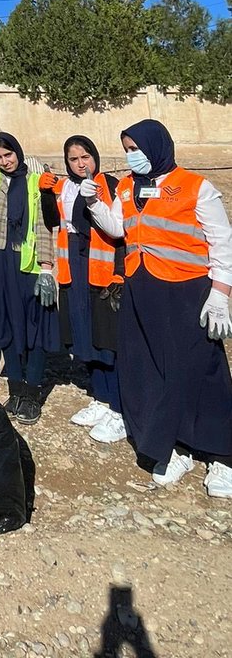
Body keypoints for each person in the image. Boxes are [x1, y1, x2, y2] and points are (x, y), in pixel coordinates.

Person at [88, 120, 232, 494]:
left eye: (135, 148)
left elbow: (222, 242)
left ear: (157, 146)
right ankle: (177, 444)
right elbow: (119, 229)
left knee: (200, 368)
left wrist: (221, 292)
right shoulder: (127, 187)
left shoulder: (196, 187)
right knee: (152, 367)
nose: (130, 156)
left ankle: (222, 456)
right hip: (142, 287)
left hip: (187, 290)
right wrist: (93, 203)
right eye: (127, 149)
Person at [39, 136, 125, 443]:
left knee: (105, 336)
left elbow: (121, 233)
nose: (80, 164)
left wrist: (119, 272)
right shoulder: (63, 187)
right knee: (83, 334)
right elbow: (53, 221)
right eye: (74, 159)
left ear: (95, 157)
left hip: (101, 268)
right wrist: (45, 194)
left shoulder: (110, 185)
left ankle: (118, 407)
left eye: (85, 157)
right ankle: (100, 398)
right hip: (73, 265)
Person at [0, 132, 58, 424]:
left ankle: (33, 392)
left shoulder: (36, 180)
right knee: (6, 323)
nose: (5, 161)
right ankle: (16, 388)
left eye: (8, 154)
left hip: (26, 263)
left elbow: (45, 224)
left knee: (35, 327)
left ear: (18, 152)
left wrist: (46, 267)